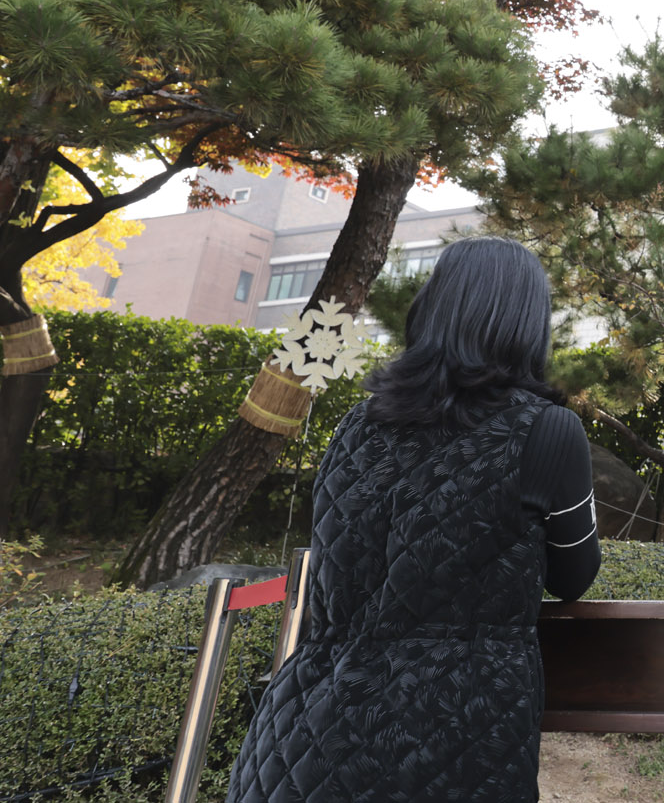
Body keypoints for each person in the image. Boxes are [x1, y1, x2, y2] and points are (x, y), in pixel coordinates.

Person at [227, 237, 600, 803]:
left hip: (300, 739)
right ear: (529, 324)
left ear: (431, 307)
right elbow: (574, 577)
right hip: (456, 736)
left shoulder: (356, 425)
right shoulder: (547, 431)